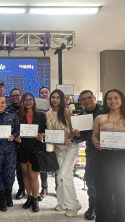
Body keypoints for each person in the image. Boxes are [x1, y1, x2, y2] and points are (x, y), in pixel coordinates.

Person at [92, 89, 125, 222]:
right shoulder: (100, 118)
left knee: (123, 193)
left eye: (116, 98)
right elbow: (94, 136)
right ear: (106, 102)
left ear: (121, 100)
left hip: (124, 158)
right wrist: (96, 142)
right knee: (103, 192)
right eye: (109, 99)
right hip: (104, 158)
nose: (113, 101)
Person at [46, 89, 81, 217]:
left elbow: (74, 129)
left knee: (64, 175)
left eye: (57, 97)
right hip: (58, 148)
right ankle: (62, 203)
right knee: (58, 176)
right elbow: (50, 133)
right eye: (53, 97)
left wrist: (69, 139)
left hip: (70, 147)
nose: (55, 100)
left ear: (61, 100)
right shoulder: (47, 114)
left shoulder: (66, 112)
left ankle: (74, 205)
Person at [72, 90, 102, 220]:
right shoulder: (81, 115)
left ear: (94, 98)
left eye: (89, 98)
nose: (86, 101)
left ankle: (106, 207)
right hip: (92, 153)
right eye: (83, 99)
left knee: (107, 181)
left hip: (108, 154)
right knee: (90, 181)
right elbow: (81, 139)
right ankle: (92, 207)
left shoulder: (105, 112)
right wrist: (77, 135)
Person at [15, 93, 46, 212]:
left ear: (34, 101)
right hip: (22, 148)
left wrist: (42, 135)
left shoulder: (40, 115)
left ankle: (35, 199)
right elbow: (16, 130)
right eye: (25, 100)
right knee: (25, 174)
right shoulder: (18, 115)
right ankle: (29, 197)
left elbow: (44, 131)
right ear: (22, 102)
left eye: (30, 100)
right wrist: (17, 137)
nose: (28, 102)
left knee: (34, 176)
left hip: (35, 149)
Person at [0, 96, 20, 212]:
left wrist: (14, 135)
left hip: (10, 149)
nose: (0, 104)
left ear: (6, 104)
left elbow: (17, 129)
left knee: (10, 173)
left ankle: (8, 194)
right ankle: (2, 197)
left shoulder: (12, 115)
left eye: (2, 103)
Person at [7, 88, 26, 200]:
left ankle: (22, 189)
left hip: (25, 142)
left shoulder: (27, 107)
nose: (15, 97)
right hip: (11, 142)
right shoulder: (8, 109)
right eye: (12, 96)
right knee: (12, 168)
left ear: (20, 96)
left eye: (17, 95)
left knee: (22, 169)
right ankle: (12, 190)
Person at [38, 86, 51, 199]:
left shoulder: (55, 108)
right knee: (43, 165)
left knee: (57, 164)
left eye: (46, 92)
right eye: (42, 93)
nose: (44, 94)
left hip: (55, 139)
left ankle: (58, 187)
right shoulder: (36, 108)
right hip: (41, 139)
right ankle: (44, 187)